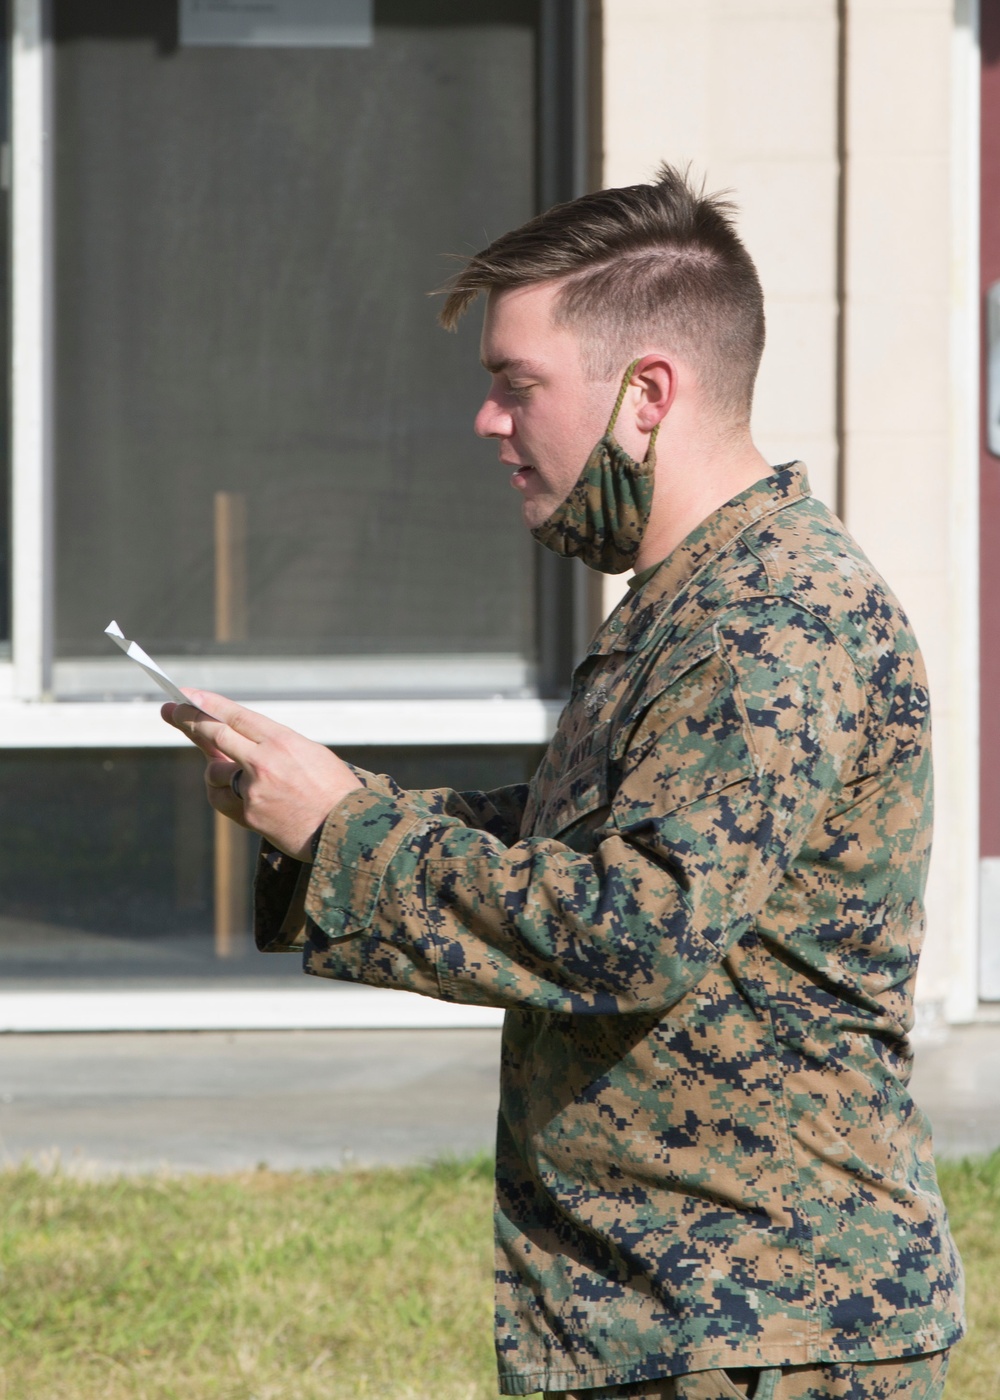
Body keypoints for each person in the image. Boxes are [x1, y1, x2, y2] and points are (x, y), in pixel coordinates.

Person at [163, 165, 964, 1400]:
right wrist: (317, 807)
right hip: (679, 1315)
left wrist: (347, 831)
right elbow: (580, 842)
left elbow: (635, 923)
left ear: (647, 393)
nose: (489, 422)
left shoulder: (766, 621)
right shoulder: (694, 598)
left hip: (762, 1329)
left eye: (515, 384)